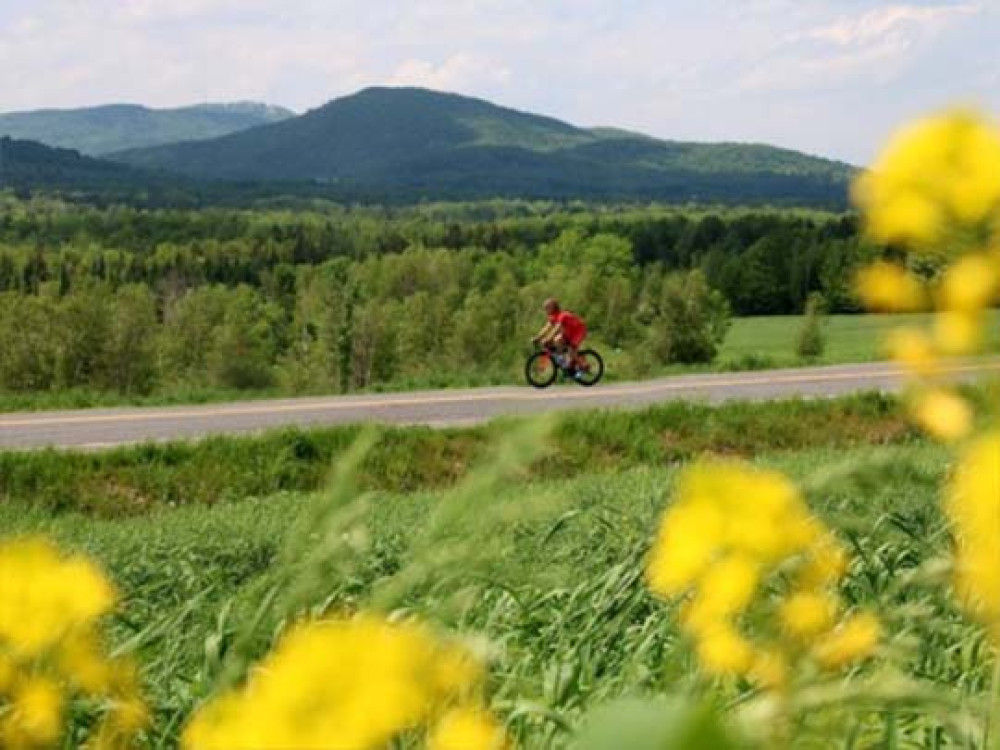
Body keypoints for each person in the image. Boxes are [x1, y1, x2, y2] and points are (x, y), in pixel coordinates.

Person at [532, 298, 588, 373]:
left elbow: (556, 329)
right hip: (568, 332)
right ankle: (566, 363)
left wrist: (548, 339)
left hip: (578, 331)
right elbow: (546, 328)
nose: (545, 310)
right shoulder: (553, 316)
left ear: (553, 308)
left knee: (571, 350)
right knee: (557, 340)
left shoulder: (562, 315)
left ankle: (584, 365)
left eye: (546, 308)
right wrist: (537, 337)